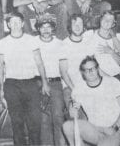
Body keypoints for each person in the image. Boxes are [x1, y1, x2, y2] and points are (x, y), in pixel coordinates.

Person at [0, 12, 48, 146]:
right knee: (17, 122)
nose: (15, 25)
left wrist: (45, 83)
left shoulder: (31, 40)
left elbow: (39, 62)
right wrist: (1, 89)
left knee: (35, 122)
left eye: (18, 22)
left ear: (23, 23)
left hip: (30, 84)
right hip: (11, 85)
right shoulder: (2, 43)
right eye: (12, 22)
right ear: (8, 25)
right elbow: (0, 68)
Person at [63, 56, 120, 146]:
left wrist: (115, 127)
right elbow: (74, 105)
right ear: (82, 73)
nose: (90, 72)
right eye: (86, 70)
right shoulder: (79, 89)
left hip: (113, 129)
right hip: (94, 129)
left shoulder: (112, 82)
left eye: (92, 68)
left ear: (98, 69)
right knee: (67, 127)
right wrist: (72, 107)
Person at [34, 15, 72, 145]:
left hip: (55, 83)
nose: (45, 30)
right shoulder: (32, 43)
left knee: (58, 117)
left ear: (53, 28)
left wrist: (72, 87)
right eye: (42, 27)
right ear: (38, 29)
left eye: (48, 26)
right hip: (37, 83)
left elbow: (63, 70)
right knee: (43, 119)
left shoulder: (60, 44)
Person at [60, 14, 93, 107]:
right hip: (70, 87)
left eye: (80, 24)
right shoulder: (64, 45)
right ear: (70, 26)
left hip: (88, 85)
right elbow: (63, 72)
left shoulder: (88, 42)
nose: (77, 26)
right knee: (76, 118)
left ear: (84, 27)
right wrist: (74, 90)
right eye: (74, 24)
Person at [88, 11, 120, 79]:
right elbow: (90, 63)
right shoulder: (91, 36)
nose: (107, 21)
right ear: (100, 20)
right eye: (105, 18)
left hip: (116, 77)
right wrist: (108, 79)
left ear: (113, 24)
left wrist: (111, 52)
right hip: (99, 77)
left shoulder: (117, 40)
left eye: (110, 20)